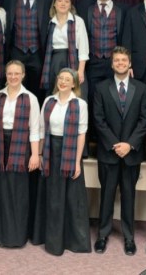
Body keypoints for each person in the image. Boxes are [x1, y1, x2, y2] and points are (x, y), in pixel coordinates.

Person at [92, 46, 146, 256]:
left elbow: (144, 120)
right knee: (106, 196)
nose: (120, 63)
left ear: (130, 63)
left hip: (131, 153)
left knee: (129, 196)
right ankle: (102, 235)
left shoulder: (142, 88)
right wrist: (115, 144)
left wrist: (129, 144)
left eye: (124, 60)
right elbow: (98, 119)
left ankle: (129, 237)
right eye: (117, 60)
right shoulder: (100, 88)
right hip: (109, 152)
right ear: (112, 63)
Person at [0, 60, 41, 247]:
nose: (13, 77)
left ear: (23, 75)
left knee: (16, 191)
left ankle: (15, 236)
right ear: (6, 75)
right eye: (10, 73)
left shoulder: (30, 98)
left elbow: (35, 130)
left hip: (21, 148)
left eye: (17, 73)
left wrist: (35, 155)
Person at [32, 68, 91, 256]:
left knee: (71, 198)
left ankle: (71, 241)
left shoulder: (80, 104)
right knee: (52, 197)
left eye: (67, 79)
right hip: (50, 151)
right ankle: (51, 240)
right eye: (61, 78)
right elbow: (42, 130)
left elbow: (81, 134)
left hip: (70, 152)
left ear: (74, 84)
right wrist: (40, 154)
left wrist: (77, 162)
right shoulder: (49, 101)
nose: (63, 82)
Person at [76, 0, 127, 103]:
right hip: (93, 61)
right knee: (93, 98)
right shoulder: (84, 7)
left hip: (114, 62)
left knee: (113, 98)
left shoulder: (123, 9)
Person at [4, 0, 52, 100]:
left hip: (38, 53)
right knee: (15, 87)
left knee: (38, 90)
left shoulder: (47, 0)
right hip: (17, 51)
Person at [40, 0, 89, 96]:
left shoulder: (78, 21)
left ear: (70, 5)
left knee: (76, 94)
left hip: (73, 61)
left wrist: (80, 71)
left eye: (66, 1)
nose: (63, 4)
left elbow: (83, 48)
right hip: (55, 62)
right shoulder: (49, 23)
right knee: (55, 93)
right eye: (60, 1)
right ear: (54, 4)